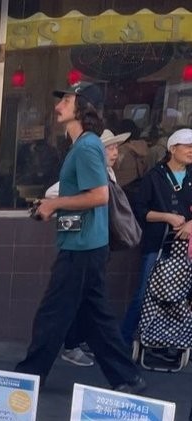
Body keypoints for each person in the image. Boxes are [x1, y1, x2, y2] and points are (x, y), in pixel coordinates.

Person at [15, 82, 145, 393]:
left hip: (83, 248)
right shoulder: (83, 145)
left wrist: (55, 203)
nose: (59, 105)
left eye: (67, 99)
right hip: (84, 245)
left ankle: (29, 377)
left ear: (82, 107)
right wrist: (50, 206)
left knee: (53, 314)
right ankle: (127, 378)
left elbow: (99, 196)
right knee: (95, 317)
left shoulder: (86, 146)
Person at [61, 127, 134, 368]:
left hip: (97, 244)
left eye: (115, 147)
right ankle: (119, 368)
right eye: (109, 147)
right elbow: (55, 192)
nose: (115, 151)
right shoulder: (90, 170)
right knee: (85, 303)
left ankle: (72, 345)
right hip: (83, 245)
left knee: (81, 301)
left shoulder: (107, 172)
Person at [124, 127, 192, 346]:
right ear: (173, 148)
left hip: (188, 247)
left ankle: (182, 343)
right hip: (158, 244)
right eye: (188, 146)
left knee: (185, 296)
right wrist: (167, 217)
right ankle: (124, 341)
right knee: (145, 293)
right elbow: (140, 210)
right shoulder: (155, 176)